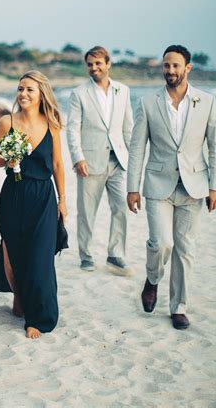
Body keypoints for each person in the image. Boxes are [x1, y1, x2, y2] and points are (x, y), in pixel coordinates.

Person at [127, 45, 216, 330]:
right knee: (162, 243)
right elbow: (136, 148)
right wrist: (133, 187)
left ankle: (178, 307)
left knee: (185, 249)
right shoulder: (147, 103)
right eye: (166, 66)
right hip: (158, 184)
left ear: (188, 68)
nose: (170, 71)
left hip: (194, 185)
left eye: (176, 66)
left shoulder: (206, 102)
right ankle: (153, 279)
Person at [0, 71, 67, 339]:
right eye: (20, 89)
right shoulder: (7, 122)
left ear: (42, 93)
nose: (23, 94)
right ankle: (19, 298)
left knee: (40, 258)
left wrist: (63, 200)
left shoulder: (52, 124)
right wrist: (7, 158)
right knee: (13, 255)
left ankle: (40, 318)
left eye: (30, 89)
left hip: (43, 196)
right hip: (13, 194)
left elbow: (57, 165)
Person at [66, 46, 133, 275]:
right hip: (90, 162)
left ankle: (115, 255)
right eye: (90, 64)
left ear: (108, 63)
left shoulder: (122, 91)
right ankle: (86, 255)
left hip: (118, 161)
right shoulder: (79, 93)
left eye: (98, 63)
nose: (94, 68)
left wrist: (132, 158)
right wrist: (78, 158)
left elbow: (128, 127)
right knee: (86, 212)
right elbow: (73, 129)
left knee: (121, 207)